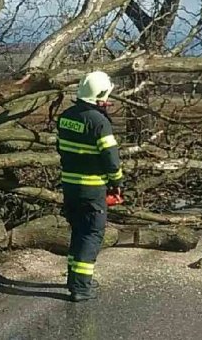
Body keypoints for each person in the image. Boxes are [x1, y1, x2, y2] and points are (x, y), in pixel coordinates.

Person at [56, 70, 124, 302]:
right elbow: (111, 160)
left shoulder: (65, 116)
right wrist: (117, 182)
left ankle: (74, 280)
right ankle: (82, 287)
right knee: (92, 234)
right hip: (92, 189)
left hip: (70, 186)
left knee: (78, 231)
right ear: (100, 95)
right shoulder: (99, 122)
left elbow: (61, 148)